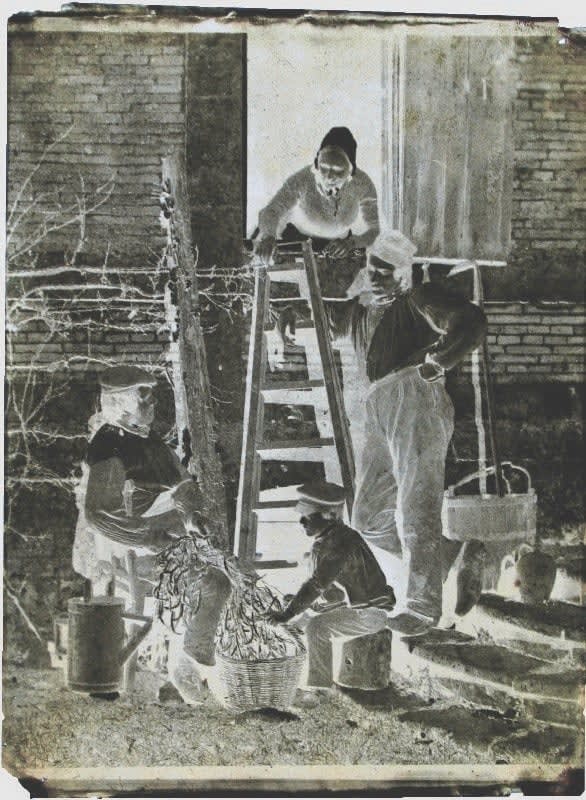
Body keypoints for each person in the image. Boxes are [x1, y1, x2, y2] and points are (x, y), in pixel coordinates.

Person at [327, 230, 487, 636]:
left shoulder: (419, 300)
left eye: (386, 272)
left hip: (414, 397)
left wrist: (437, 362)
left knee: (416, 503)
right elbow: (331, 322)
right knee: (366, 516)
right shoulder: (367, 311)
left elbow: (471, 320)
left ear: (404, 274)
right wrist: (291, 318)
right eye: (371, 269)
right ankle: (452, 557)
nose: (376, 277)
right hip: (381, 403)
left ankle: (421, 606)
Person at [72, 365, 232, 697]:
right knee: (215, 583)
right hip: (134, 555)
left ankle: (186, 660)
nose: (152, 402)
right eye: (143, 396)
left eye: (151, 395)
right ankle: (185, 662)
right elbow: (100, 515)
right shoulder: (109, 447)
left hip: (167, 542)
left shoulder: (146, 438)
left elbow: (183, 487)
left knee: (220, 580)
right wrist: (148, 538)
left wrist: (191, 518)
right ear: (120, 404)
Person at [267, 481, 395, 689]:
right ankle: (288, 679)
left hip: (369, 614)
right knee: (297, 626)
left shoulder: (341, 544)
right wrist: (297, 608)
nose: (301, 521)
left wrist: (287, 613)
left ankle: (319, 688)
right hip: (350, 608)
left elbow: (317, 585)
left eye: (307, 517)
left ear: (330, 516)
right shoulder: (327, 539)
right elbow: (332, 594)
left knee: (317, 628)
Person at [253, 127, 379, 268]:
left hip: (338, 248)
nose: (329, 176)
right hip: (296, 243)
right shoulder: (302, 179)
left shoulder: (363, 184)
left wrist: (352, 243)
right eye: (323, 167)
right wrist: (269, 236)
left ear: (351, 170)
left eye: (337, 170)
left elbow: (374, 230)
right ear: (316, 163)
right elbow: (272, 210)